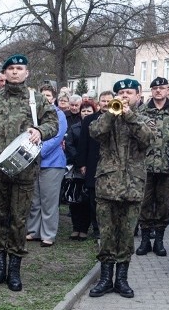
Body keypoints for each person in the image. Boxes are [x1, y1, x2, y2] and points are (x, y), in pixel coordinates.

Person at [0, 54, 58, 291]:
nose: (15, 72)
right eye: (11, 69)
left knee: (19, 219)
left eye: (20, 68)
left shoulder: (37, 100)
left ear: (27, 73)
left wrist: (40, 130)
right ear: (4, 74)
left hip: (24, 171)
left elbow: (54, 124)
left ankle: (15, 271)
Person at [87, 79, 152, 298]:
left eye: (129, 93)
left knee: (126, 236)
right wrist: (110, 113)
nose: (125, 96)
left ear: (138, 95)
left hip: (132, 186)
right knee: (106, 235)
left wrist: (128, 115)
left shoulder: (144, 118)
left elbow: (147, 139)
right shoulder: (106, 118)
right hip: (107, 185)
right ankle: (105, 279)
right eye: (121, 93)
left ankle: (122, 280)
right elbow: (95, 132)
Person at [136, 77, 169, 257]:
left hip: (168, 167)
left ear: (167, 90)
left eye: (162, 88)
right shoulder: (140, 111)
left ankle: (159, 239)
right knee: (144, 203)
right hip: (145, 166)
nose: (159, 91)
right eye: (155, 88)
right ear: (151, 91)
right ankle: (144, 240)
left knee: (164, 204)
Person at [26, 85, 68, 247]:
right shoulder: (33, 114)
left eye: (49, 95)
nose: (45, 98)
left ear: (54, 97)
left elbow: (56, 138)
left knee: (48, 200)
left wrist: (37, 151)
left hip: (52, 163)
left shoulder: (59, 115)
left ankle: (48, 234)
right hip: (32, 162)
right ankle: (33, 231)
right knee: (34, 199)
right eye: (42, 95)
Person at [77, 91, 113, 239]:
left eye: (108, 101)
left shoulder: (119, 118)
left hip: (111, 165)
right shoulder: (90, 120)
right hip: (93, 163)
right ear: (99, 103)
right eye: (103, 101)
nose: (105, 103)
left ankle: (109, 228)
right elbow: (83, 143)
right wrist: (82, 164)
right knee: (93, 198)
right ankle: (97, 228)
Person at [64, 98, 95, 240]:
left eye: (89, 110)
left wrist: (88, 164)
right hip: (76, 168)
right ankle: (75, 227)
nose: (86, 113)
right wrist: (79, 162)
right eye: (84, 111)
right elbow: (69, 145)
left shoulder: (97, 127)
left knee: (87, 200)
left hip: (91, 168)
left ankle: (84, 228)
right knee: (75, 199)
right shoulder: (74, 127)